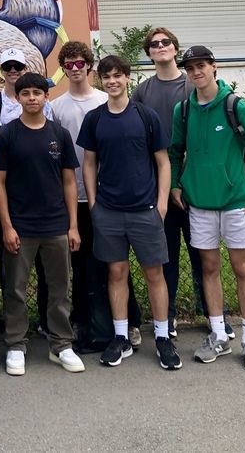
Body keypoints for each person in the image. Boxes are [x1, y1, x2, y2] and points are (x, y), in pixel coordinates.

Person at [169, 45, 245, 371]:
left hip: (234, 205)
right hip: (199, 205)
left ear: (213, 67)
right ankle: (218, 334)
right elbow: (174, 151)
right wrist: (176, 183)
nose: (196, 72)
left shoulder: (235, 106)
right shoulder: (183, 110)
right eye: (190, 68)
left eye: (201, 65)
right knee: (209, 269)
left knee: (242, 269)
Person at [79, 55, 182, 371]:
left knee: (155, 274)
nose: (112, 81)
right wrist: (95, 204)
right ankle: (121, 337)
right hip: (108, 211)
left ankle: (163, 337)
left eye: (117, 76)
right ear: (101, 80)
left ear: (127, 78)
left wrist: (162, 202)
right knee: (116, 273)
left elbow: (163, 162)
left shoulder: (146, 116)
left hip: (145, 210)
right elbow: (89, 163)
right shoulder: (95, 119)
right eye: (106, 77)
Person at [132, 28, 233, 340]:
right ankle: (170, 315)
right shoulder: (143, 92)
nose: (160, 47)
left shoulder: (194, 82)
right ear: (148, 53)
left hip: (196, 187)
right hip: (159, 188)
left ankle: (215, 315)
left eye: (165, 42)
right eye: (154, 44)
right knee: (166, 256)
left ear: (175, 48)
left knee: (203, 255)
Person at [49, 41, 142, 350]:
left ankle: (131, 321)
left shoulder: (105, 99)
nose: (75, 69)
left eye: (80, 63)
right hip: (74, 198)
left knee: (116, 263)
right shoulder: (56, 107)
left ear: (89, 67)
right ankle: (83, 319)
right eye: (69, 64)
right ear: (63, 69)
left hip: (108, 196)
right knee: (80, 263)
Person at [0, 72, 84, 375]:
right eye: (26, 93)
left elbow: (69, 182)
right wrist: (6, 226)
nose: (32, 98)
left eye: (37, 93)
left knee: (60, 288)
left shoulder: (59, 134)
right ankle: (16, 344)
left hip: (56, 225)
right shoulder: (7, 135)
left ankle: (61, 345)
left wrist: (73, 226)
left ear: (46, 97)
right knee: (15, 289)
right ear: (17, 98)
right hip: (20, 226)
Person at [0, 48, 53, 125]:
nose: (13, 70)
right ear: (1, 70)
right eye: (7, 66)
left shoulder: (42, 101)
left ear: (25, 69)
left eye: (18, 66)